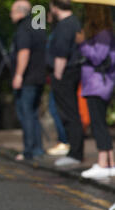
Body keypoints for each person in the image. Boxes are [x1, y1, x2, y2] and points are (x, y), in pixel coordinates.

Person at [76, 4, 115, 179]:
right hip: (96, 83)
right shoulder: (103, 33)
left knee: (98, 124)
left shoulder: (104, 34)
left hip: (99, 84)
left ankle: (104, 162)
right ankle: (109, 162)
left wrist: (82, 44)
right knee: (99, 124)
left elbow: (98, 57)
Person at [10, 0, 46, 161]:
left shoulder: (23, 28)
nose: (11, 15)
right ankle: (37, 148)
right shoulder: (38, 26)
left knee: (26, 114)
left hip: (27, 78)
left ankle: (29, 150)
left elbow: (24, 52)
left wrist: (18, 75)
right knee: (33, 114)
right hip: (39, 76)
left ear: (20, 12)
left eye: (12, 11)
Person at [49, 0, 84, 167]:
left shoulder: (64, 26)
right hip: (72, 72)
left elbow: (61, 54)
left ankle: (75, 153)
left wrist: (57, 75)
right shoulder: (75, 21)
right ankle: (75, 151)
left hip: (64, 74)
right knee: (72, 112)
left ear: (55, 6)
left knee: (69, 114)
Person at [46, 11, 70, 156]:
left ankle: (64, 141)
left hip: (59, 76)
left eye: (49, 13)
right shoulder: (53, 31)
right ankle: (63, 140)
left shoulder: (59, 31)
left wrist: (57, 75)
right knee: (55, 109)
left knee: (57, 109)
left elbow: (61, 53)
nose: (47, 15)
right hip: (54, 75)